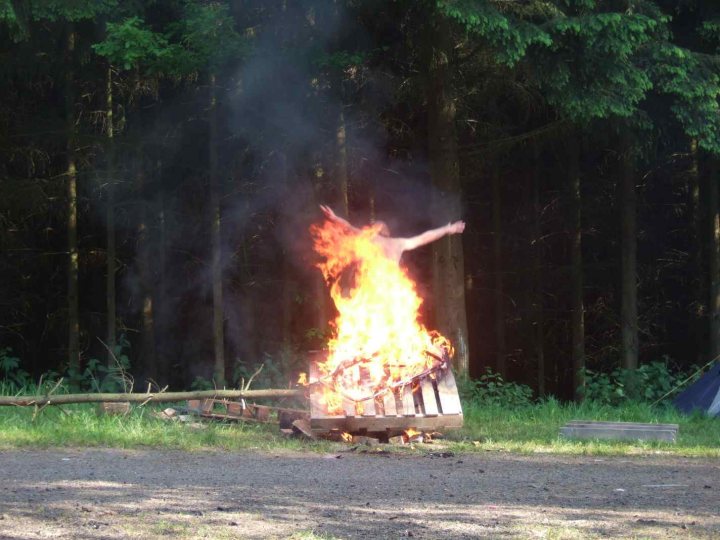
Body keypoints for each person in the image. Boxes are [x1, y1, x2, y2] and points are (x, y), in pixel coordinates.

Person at [319, 204, 465, 263]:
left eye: (383, 225)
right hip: (372, 291)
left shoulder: (398, 243)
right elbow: (349, 227)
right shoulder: (370, 239)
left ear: (388, 232)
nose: (380, 225)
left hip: (391, 294)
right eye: (377, 224)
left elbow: (424, 237)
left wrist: (447, 229)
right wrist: (335, 218)